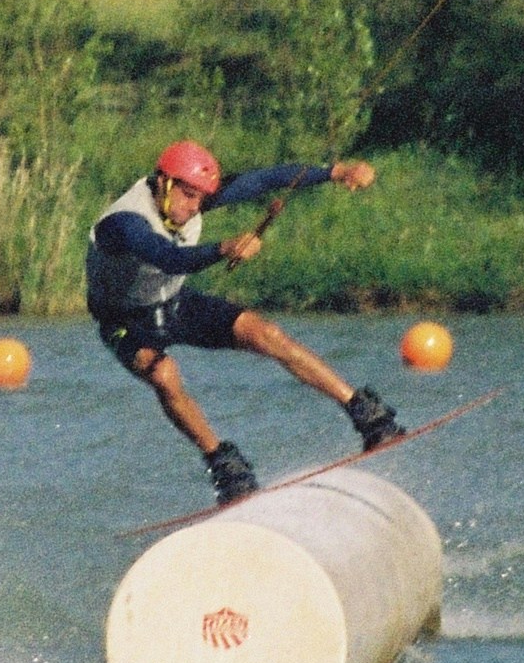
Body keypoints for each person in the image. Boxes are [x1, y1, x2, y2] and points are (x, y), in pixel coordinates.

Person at [88, 139, 400, 503]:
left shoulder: (192, 197)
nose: (193, 207)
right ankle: (224, 465)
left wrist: (335, 172)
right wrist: (223, 248)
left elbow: (263, 180)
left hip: (173, 302)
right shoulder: (125, 222)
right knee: (163, 373)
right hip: (123, 319)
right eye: (187, 196)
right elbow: (167, 258)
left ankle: (366, 414)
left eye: (200, 199)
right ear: (163, 182)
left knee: (266, 333)